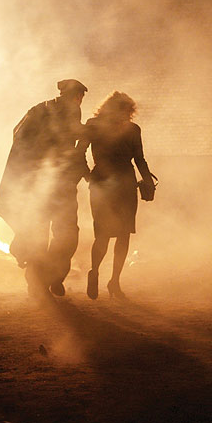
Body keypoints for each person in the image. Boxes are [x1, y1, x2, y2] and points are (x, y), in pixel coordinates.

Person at [0, 79, 89, 300]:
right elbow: (70, 141)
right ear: (77, 97)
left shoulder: (37, 110)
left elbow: (17, 135)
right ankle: (51, 277)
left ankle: (38, 281)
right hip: (59, 185)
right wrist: (90, 133)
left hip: (36, 186)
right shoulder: (71, 110)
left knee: (38, 234)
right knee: (67, 235)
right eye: (80, 98)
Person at [78, 91, 155, 299]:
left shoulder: (96, 125)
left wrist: (88, 175)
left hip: (106, 183)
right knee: (113, 235)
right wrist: (148, 181)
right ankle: (106, 278)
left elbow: (78, 153)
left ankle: (107, 278)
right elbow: (139, 160)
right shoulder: (127, 129)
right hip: (119, 183)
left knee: (115, 234)